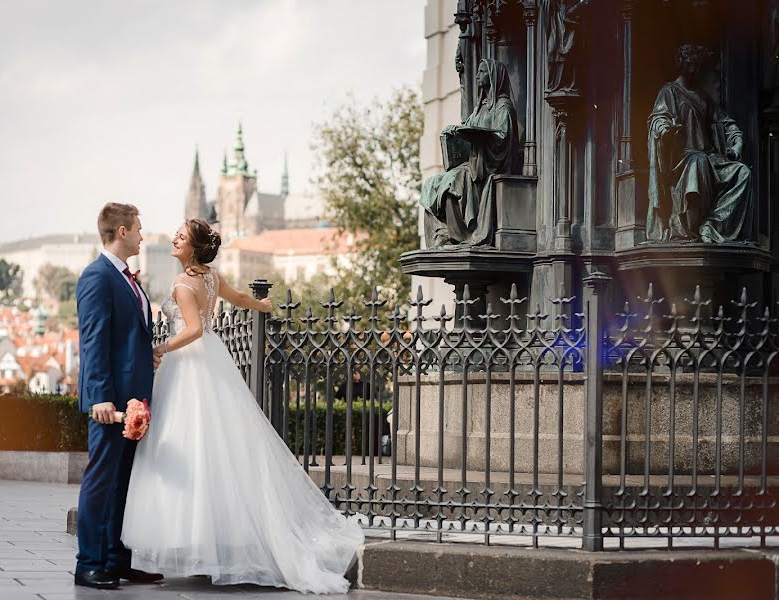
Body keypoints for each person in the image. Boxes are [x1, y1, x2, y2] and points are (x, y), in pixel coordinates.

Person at [121, 218, 364, 594]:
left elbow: (193, 329)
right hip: (212, 362)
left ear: (193, 247)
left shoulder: (183, 284)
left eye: (181, 237)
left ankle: (197, 537)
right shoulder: (212, 278)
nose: (174, 239)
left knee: (191, 447)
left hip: (188, 364)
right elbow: (239, 300)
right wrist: (262, 305)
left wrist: (161, 348)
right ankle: (212, 537)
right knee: (220, 446)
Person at [74, 203, 164, 590]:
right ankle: (89, 563)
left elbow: (129, 337)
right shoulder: (98, 277)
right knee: (101, 480)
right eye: (140, 229)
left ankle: (116, 559)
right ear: (122, 231)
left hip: (133, 400)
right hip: (110, 402)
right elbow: (93, 340)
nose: (144, 235)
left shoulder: (127, 278)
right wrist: (99, 397)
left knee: (123, 481)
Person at [646, 44, 753, 243]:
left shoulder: (704, 98)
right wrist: (665, 130)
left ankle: (711, 225)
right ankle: (688, 230)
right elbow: (659, 118)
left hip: (711, 157)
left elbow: (726, 124)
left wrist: (737, 142)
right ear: (680, 63)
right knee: (697, 162)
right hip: (682, 159)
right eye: (689, 64)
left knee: (742, 173)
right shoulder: (669, 92)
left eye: (697, 65)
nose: (693, 69)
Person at [419, 58, 520, 247]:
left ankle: (461, 235)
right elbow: (467, 127)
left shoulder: (503, 108)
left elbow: (503, 140)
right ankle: (441, 233)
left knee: (453, 182)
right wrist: (454, 131)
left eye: (482, 72)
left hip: (488, 166)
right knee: (431, 184)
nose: (477, 75)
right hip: (474, 163)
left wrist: (481, 138)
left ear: (493, 76)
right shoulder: (480, 107)